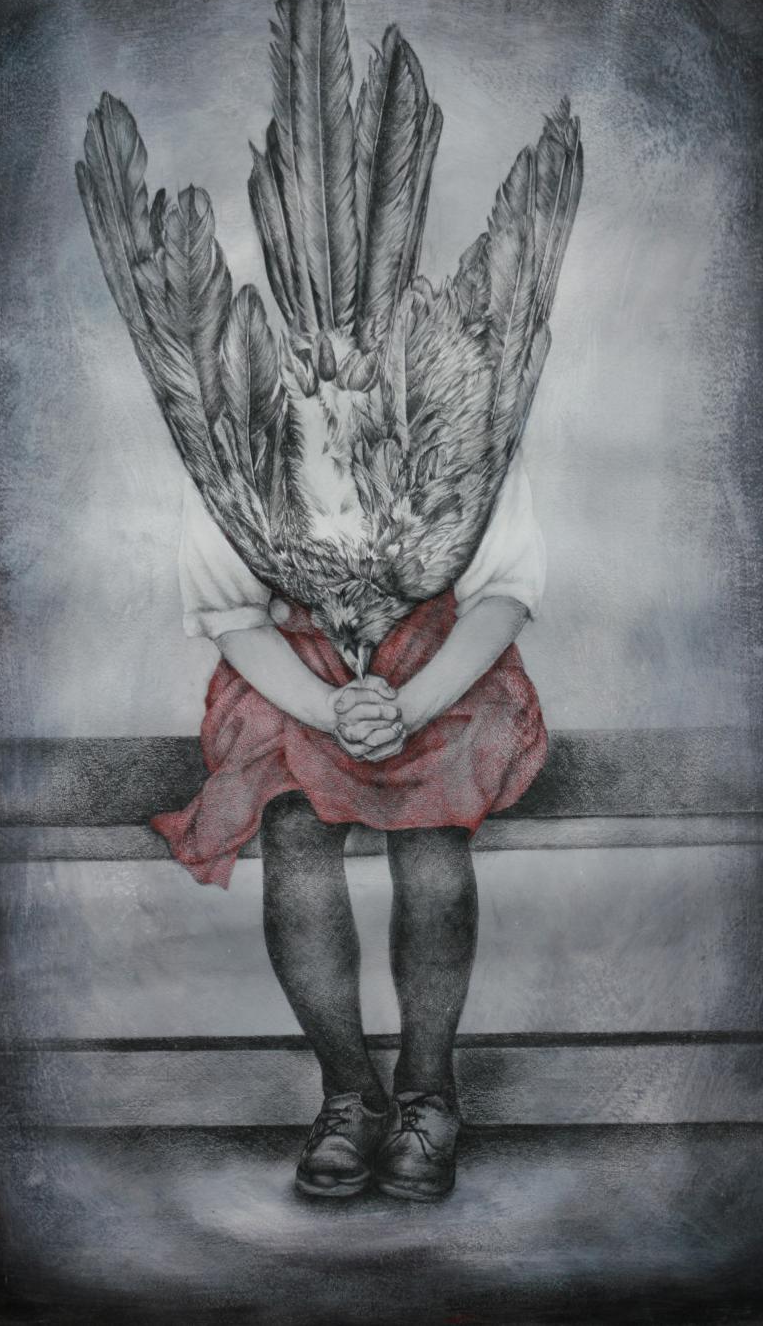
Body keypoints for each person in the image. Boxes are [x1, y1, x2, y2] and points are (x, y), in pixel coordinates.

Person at [152, 452, 548, 1202]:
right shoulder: (237, 413)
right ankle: (349, 1093)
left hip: (444, 672)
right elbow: (230, 608)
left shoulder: (466, 399)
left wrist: (410, 707)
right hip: (290, 678)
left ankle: (428, 1093)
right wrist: (328, 709)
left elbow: (503, 587)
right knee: (295, 838)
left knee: (432, 840)